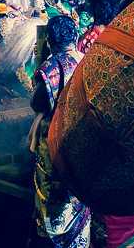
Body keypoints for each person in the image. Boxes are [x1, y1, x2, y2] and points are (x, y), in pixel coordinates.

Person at [29, 15, 91, 247]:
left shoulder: (50, 67)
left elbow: (38, 104)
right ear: (75, 37)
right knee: (77, 197)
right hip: (83, 138)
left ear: (49, 40)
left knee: (53, 197)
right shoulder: (88, 60)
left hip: (57, 140)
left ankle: (54, 239)